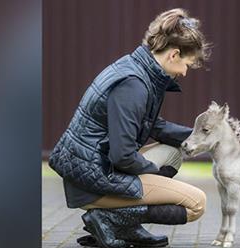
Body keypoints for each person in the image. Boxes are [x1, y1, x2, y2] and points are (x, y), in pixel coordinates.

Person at [48, 8, 211, 248]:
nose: (185, 72)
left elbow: (155, 126)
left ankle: (125, 224)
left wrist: (210, 139)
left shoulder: (137, 68)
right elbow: (122, 154)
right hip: (92, 181)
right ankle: (109, 217)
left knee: (174, 153)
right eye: (187, 64)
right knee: (197, 203)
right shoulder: (133, 85)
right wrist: (155, 177)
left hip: (96, 167)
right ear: (174, 54)